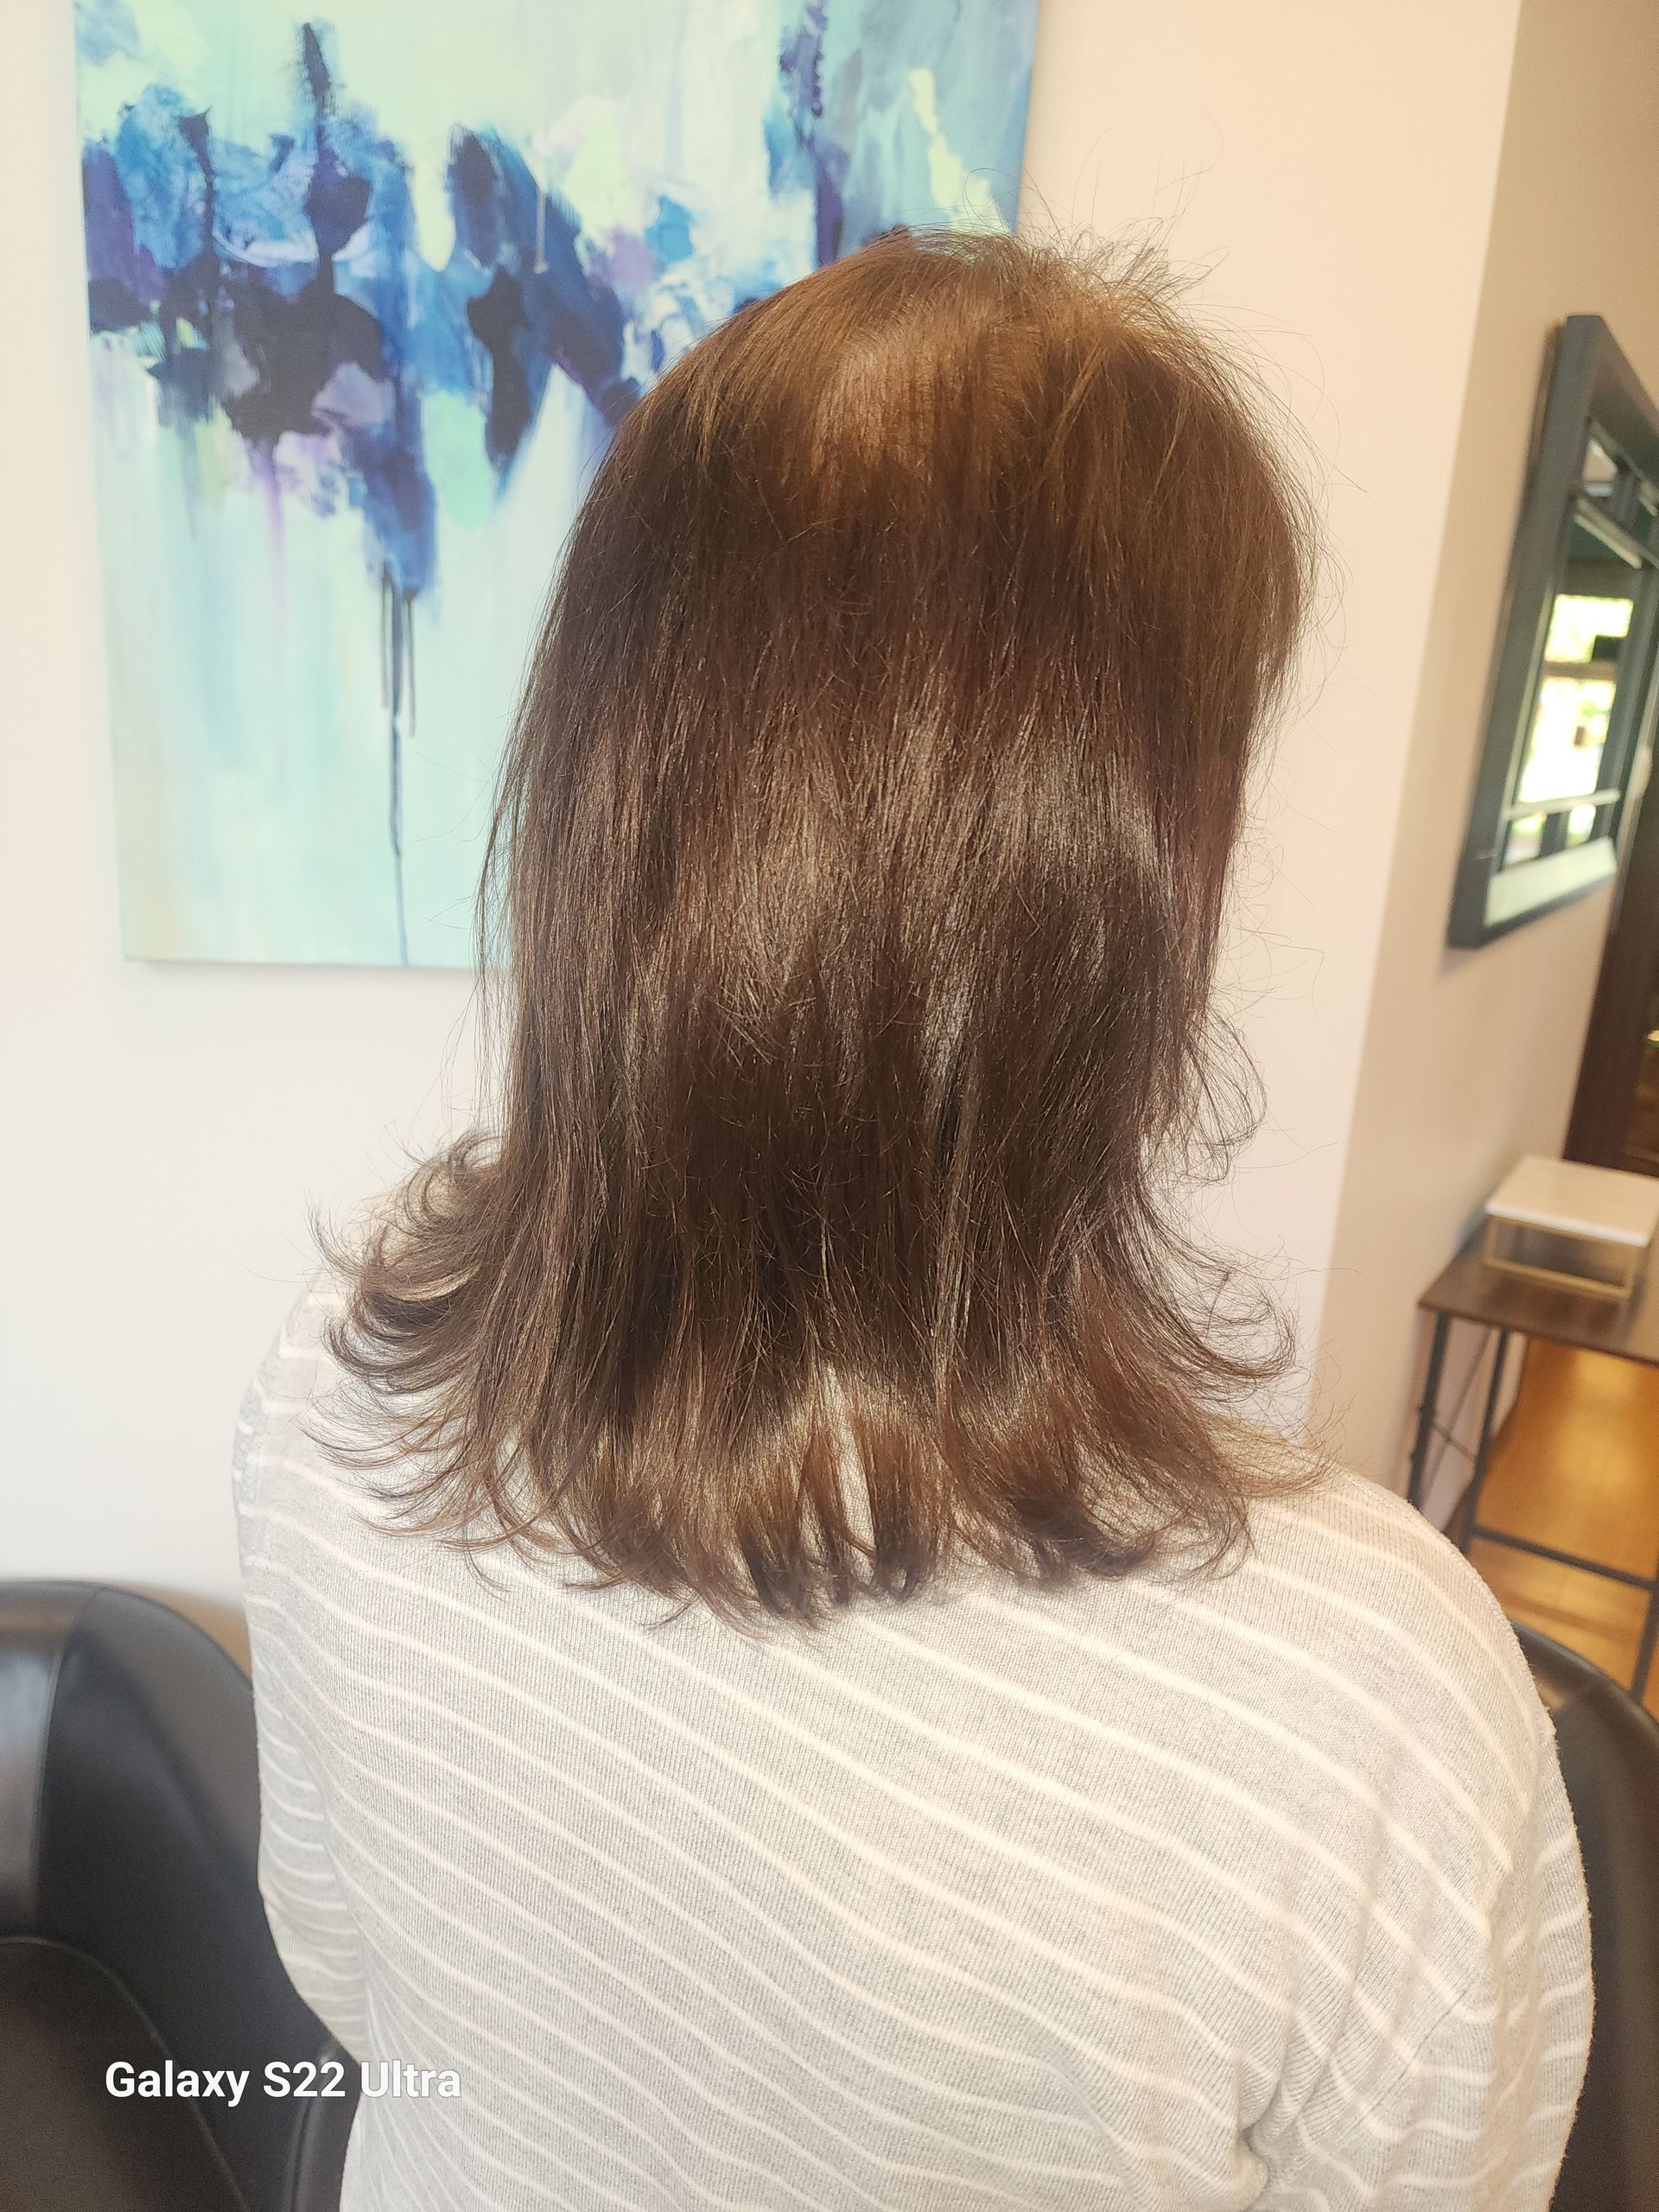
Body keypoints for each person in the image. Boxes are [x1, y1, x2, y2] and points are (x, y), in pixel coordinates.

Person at [234, 226, 1592, 2210]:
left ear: (614, 794)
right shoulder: (1363, 1702)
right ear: (1135, 877)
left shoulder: (335, 1399)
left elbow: (357, 1981)